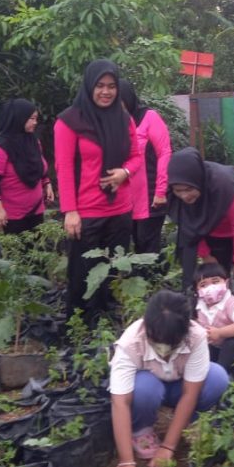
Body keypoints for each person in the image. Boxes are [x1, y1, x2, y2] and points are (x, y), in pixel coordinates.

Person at [110, 290, 229, 467]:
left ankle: (187, 421)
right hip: (147, 389)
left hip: (178, 387)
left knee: (217, 377)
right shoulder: (130, 343)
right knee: (145, 388)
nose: (163, 347)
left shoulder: (196, 336)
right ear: (146, 326)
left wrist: (168, 447)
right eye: (156, 340)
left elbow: (191, 392)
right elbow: (119, 401)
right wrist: (126, 462)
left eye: (171, 343)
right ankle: (141, 430)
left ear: (185, 331)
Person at [54, 59, 143, 322]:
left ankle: (106, 317)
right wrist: (70, 211)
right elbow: (65, 168)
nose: (106, 92)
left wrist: (124, 173)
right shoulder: (69, 122)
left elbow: (137, 156)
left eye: (112, 86)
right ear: (89, 86)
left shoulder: (123, 118)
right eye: (100, 86)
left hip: (120, 208)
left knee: (112, 269)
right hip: (87, 211)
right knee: (83, 271)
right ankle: (81, 322)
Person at [168, 147, 234, 318]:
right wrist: (205, 254)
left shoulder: (223, 185)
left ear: (198, 181)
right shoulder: (174, 196)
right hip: (214, 228)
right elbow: (190, 227)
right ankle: (220, 322)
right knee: (215, 276)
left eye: (188, 189)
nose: (184, 196)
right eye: (178, 191)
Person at [0, 99, 54, 234]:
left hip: (36, 209)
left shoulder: (33, 141)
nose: (35, 122)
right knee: (17, 251)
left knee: (37, 251)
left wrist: (47, 183)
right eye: (31, 119)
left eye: (36, 119)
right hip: (12, 214)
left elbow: (40, 166)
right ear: (19, 118)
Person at [119, 79, 172, 255]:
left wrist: (161, 191)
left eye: (120, 103)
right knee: (130, 242)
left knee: (147, 242)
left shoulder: (149, 117)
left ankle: (150, 280)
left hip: (150, 194)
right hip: (125, 196)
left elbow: (164, 153)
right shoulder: (115, 123)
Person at [193, 262, 234, 373]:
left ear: (226, 283)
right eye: (203, 285)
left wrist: (220, 332)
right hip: (218, 347)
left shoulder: (230, 303)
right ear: (197, 290)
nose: (210, 288)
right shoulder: (199, 307)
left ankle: (220, 373)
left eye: (215, 282)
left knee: (233, 342)